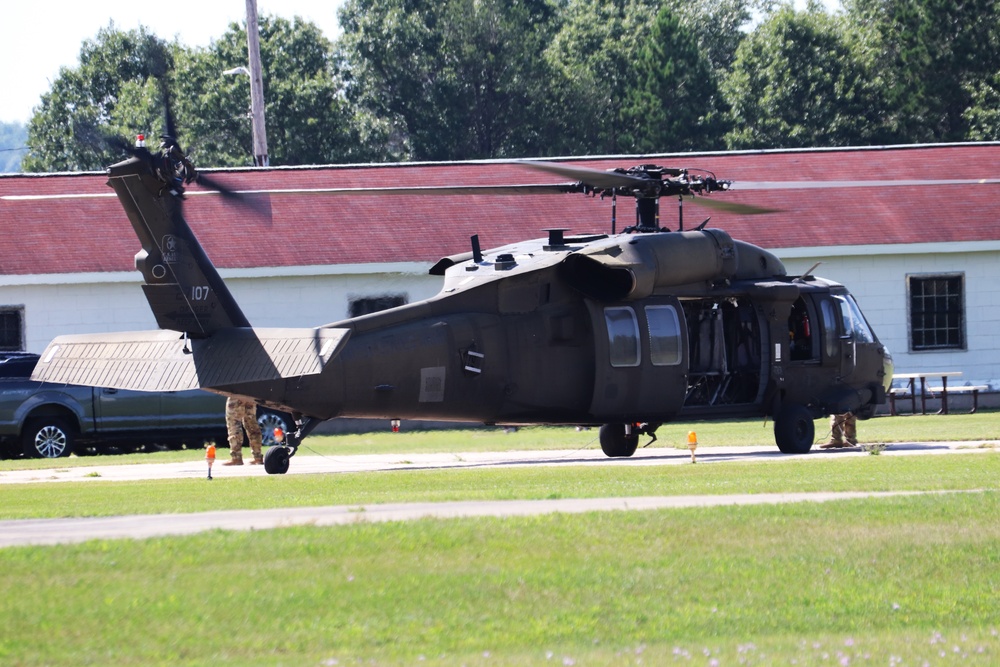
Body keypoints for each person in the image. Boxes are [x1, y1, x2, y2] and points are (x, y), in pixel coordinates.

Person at [224, 395, 264, 465]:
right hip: (250, 394)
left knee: (234, 422)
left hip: (236, 392)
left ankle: (236, 457)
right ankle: (257, 456)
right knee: (251, 423)